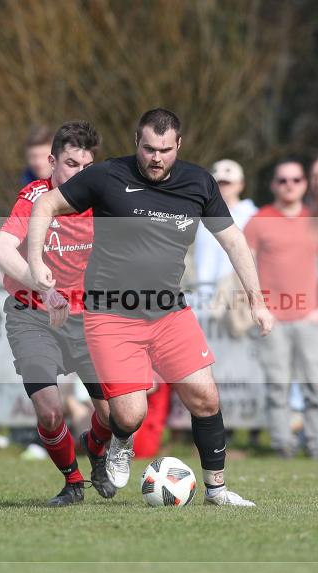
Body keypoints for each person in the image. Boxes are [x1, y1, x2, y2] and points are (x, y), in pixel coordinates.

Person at [26, 108, 273, 507]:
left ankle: (217, 490)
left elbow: (234, 242)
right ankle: (116, 442)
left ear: (179, 145)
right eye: (148, 149)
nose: (155, 158)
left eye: (164, 150)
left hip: (169, 312)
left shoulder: (199, 182)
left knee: (205, 398)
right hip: (110, 315)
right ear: (135, 142)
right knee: (129, 415)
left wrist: (258, 302)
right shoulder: (107, 176)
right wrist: (37, 263)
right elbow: (45, 206)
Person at [0, 120, 116, 506]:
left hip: (87, 318)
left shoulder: (102, 201)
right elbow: (1, 250)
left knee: (117, 415)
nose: (79, 174)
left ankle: (95, 449)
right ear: (51, 162)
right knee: (49, 410)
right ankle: (73, 482)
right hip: (33, 316)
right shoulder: (33, 198)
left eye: (87, 166)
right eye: (71, 164)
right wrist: (45, 289)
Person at [244, 159, 318, 459]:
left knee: (316, 387)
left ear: (304, 184)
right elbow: (245, 266)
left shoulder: (316, 220)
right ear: (273, 185)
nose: (289, 185)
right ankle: (283, 445)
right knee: (276, 387)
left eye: (296, 180)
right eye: (283, 180)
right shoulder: (259, 221)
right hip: (274, 320)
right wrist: (258, 306)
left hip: (310, 317)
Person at [193, 159, 257, 298]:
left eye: (228, 183)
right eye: (218, 183)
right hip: (201, 296)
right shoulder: (198, 215)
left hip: (238, 297)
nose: (223, 187)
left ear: (241, 184)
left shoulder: (253, 216)